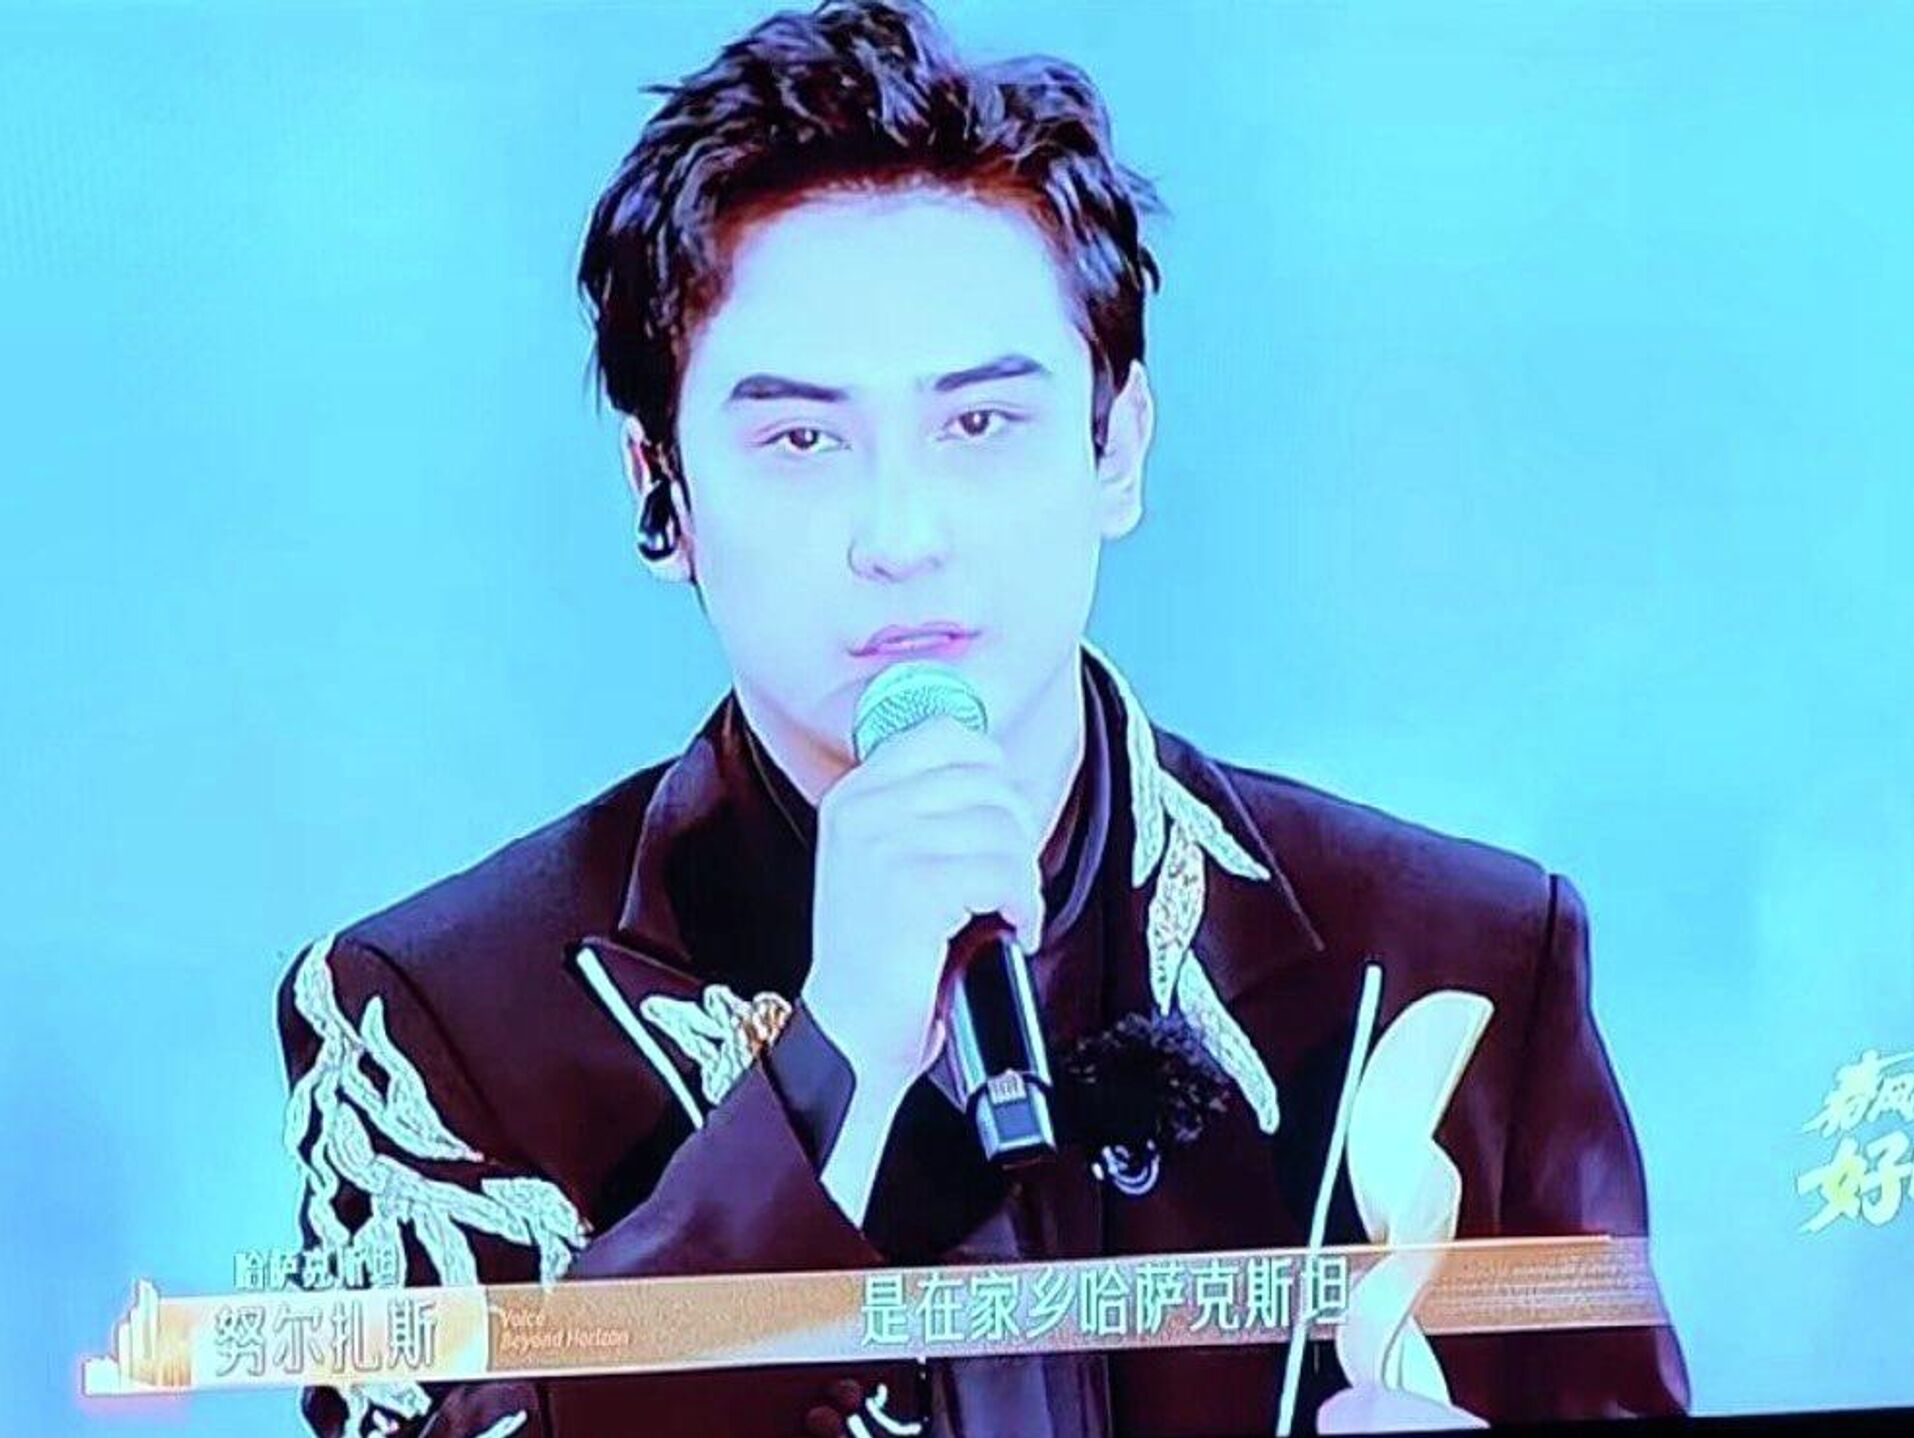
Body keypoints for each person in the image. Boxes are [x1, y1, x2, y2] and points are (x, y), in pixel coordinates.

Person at [275, 2, 1690, 1433]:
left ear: (1116, 446)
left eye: (980, 424)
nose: (903, 536)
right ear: (664, 493)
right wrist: (827, 1074)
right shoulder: (437, 1023)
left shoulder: (1463, 959)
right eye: (802, 439)